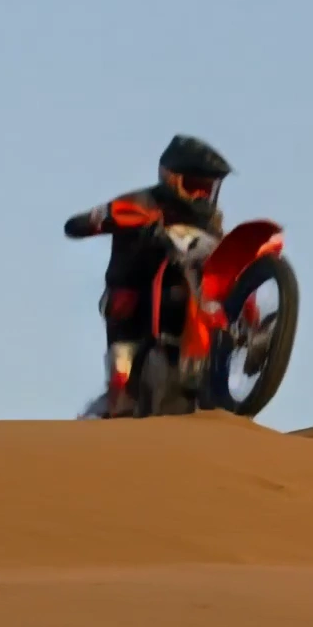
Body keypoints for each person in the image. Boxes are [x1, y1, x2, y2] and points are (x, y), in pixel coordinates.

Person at [64, 134, 234, 417]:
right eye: (194, 186)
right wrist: (100, 220)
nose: (200, 196)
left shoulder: (212, 223)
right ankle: (120, 390)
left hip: (188, 296)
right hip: (135, 295)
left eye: (207, 189)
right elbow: (81, 223)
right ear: (172, 178)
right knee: (123, 304)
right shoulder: (143, 203)